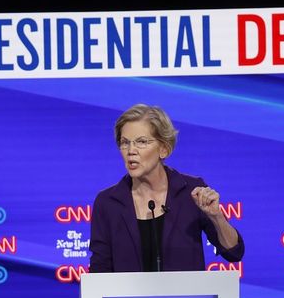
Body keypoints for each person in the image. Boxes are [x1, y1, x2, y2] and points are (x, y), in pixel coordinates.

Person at [89, 103, 244, 272]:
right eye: (125, 143)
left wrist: (216, 217)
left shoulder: (191, 192)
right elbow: (99, 271)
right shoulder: (108, 203)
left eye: (141, 142)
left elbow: (234, 253)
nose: (131, 151)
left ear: (164, 149)